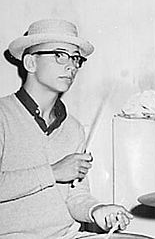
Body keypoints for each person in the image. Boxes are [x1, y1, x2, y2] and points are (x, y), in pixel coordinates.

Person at [0, 18, 132, 238]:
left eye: (75, 58)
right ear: (30, 62)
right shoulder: (3, 115)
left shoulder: (73, 128)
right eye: (59, 55)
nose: (71, 66)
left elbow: (76, 197)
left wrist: (96, 211)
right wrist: (53, 172)